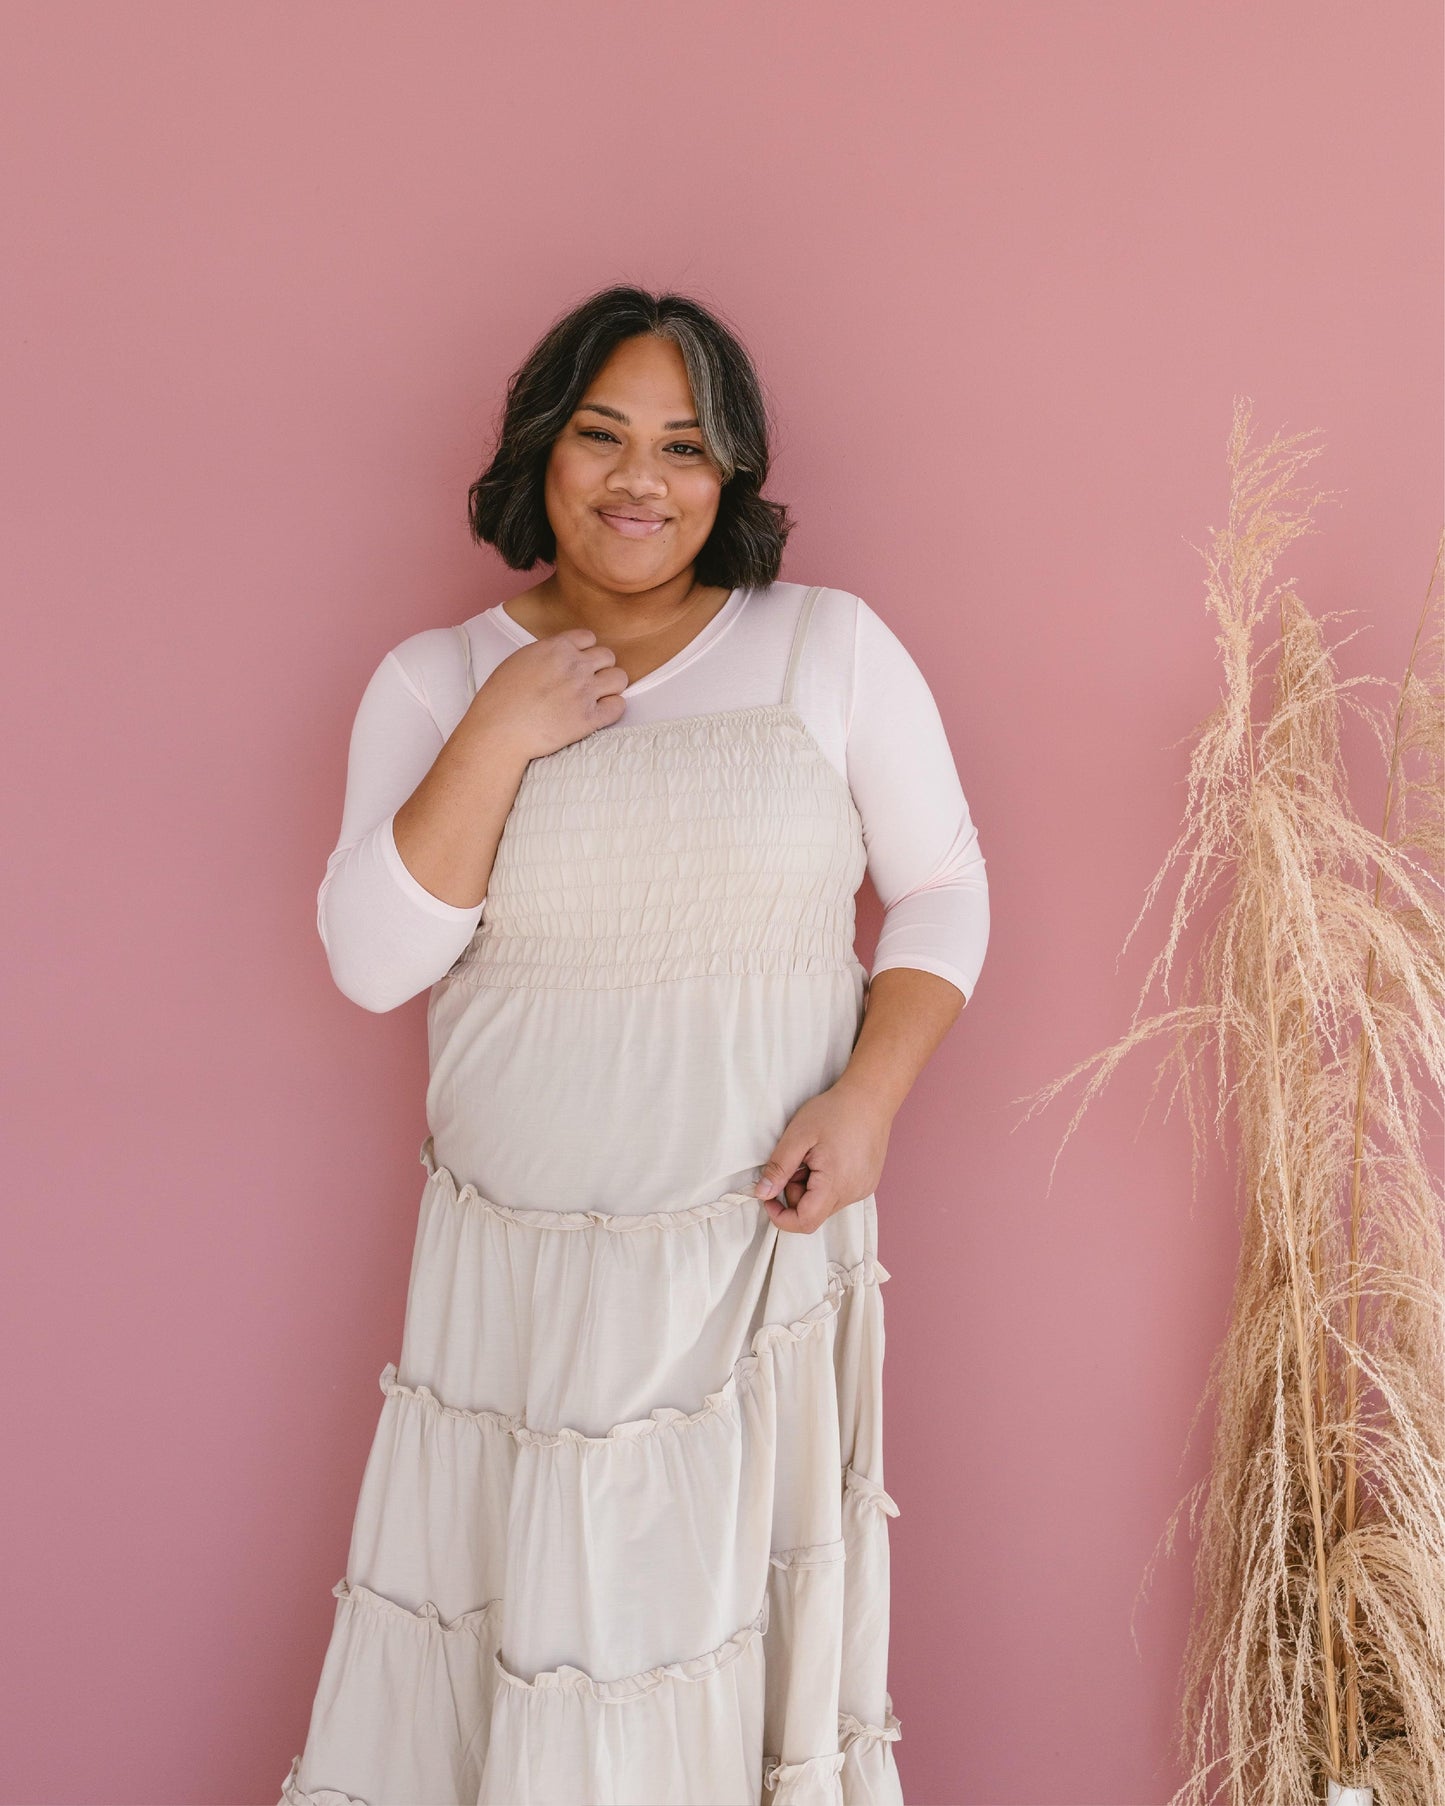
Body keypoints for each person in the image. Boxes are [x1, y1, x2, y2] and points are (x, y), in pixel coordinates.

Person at [279, 286, 989, 1806]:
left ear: (729, 474)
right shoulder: (436, 679)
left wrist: (870, 1095)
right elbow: (369, 959)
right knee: (524, 1680)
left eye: (682, 444)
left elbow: (941, 889)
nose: (638, 479)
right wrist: (497, 733)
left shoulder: (829, 649)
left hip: (750, 1269)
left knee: (713, 1677)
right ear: (542, 451)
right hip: (518, 1297)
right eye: (600, 434)